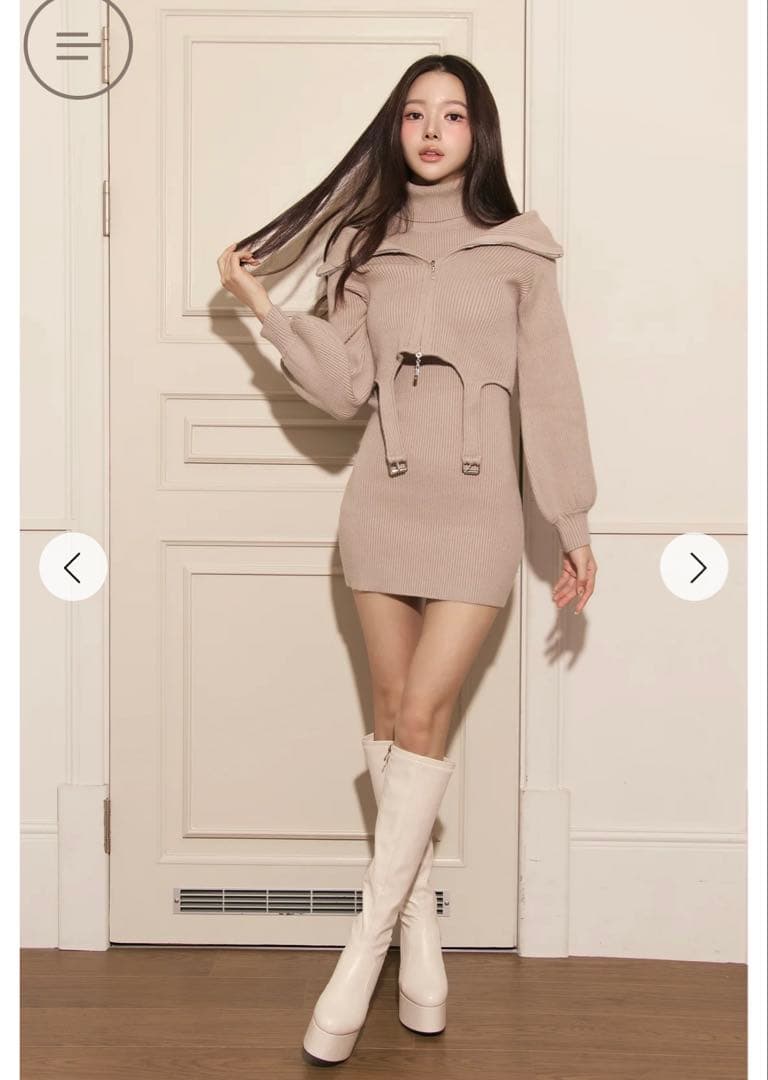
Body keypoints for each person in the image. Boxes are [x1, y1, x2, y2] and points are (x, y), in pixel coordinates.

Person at [218, 53, 598, 1066]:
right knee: (392, 720)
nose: (433, 130)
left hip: (476, 512)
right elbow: (343, 388)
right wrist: (261, 308)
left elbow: (552, 390)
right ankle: (419, 938)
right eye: (417, 114)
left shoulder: (521, 252)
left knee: (423, 717)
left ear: (480, 134)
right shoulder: (366, 250)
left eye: (454, 114)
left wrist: (571, 519)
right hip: (382, 507)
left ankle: (363, 948)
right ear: (397, 130)